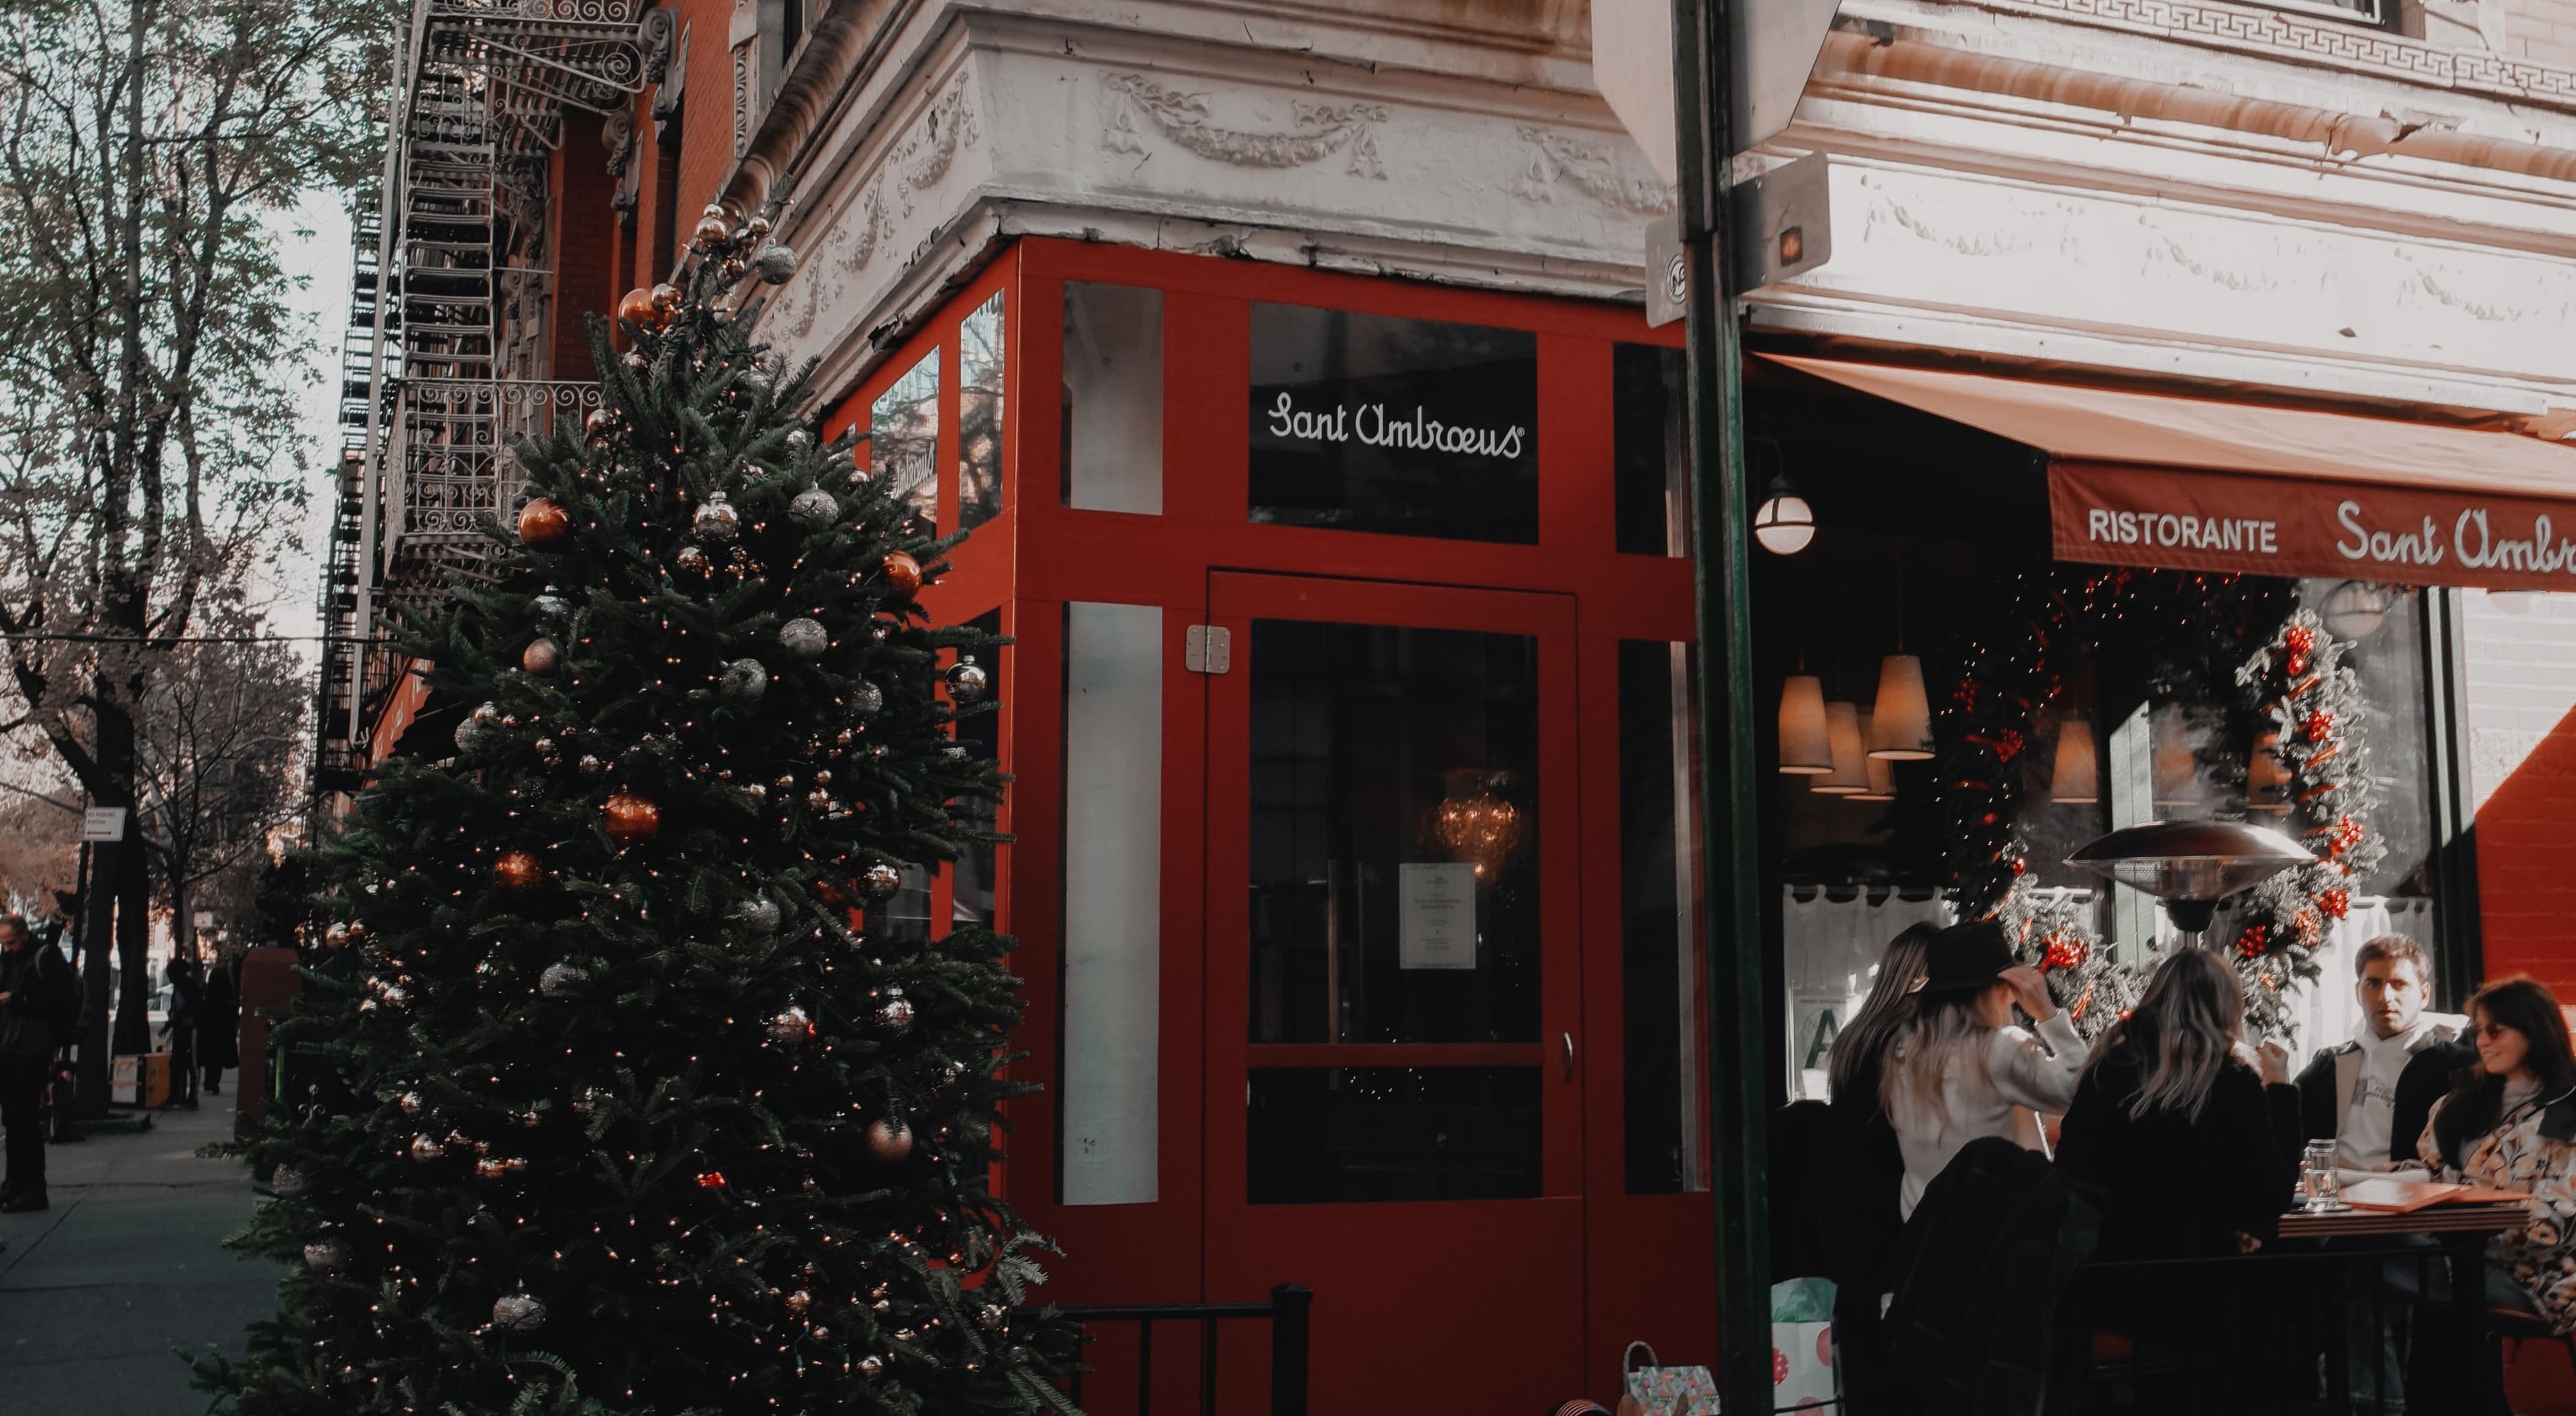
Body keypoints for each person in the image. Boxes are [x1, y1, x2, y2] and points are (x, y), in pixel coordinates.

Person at [2053, 947, 2303, 1258]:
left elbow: (2071, 1170)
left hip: (2113, 1269)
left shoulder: (2108, 1069)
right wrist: (2280, 1089)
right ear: (2227, 1009)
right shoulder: (2231, 1082)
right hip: (2200, 1271)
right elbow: (2272, 1194)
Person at [1882, 920, 2089, 1219]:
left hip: (1923, 1236)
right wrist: (2047, 1013)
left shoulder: (1902, 1053)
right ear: (1997, 990)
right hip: (1992, 1234)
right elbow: (2079, 1090)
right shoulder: (1999, 1049)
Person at [1821, 922, 1937, 1413]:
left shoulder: (1855, 1037)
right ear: (1922, 979)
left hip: (1853, 1222)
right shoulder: (1909, 1043)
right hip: (1898, 1218)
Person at [2294, 935, 2472, 1169]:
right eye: (2373, 984)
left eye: (2399, 984)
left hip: (2414, 1196)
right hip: (2334, 1195)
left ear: (2425, 994)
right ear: (2358, 992)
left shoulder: (2457, 1067)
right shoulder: (2329, 1064)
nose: (2385, 997)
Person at [0, 913, 68, 1211]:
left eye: (11, 942)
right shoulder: (10, 960)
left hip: (32, 1049)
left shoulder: (46, 957)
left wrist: (17, 1000)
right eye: (3, 943)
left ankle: (32, 1188)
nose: (7, 948)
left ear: (25, 935)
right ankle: (14, 1182)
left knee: (25, 1119)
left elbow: (57, 1002)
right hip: (10, 1047)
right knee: (14, 1120)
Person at [157, 955, 201, 1109]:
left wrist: (170, 1024)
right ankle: (180, 1095)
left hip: (189, 1029)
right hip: (183, 1029)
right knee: (179, 1063)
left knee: (188, 1063)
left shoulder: (185, 986)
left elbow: (184, 1010)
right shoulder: (183, 985)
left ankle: (187, 1096)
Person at [200, 948, 239, 1096]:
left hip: (209, 1032)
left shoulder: (208, 997)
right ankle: (214, 1082)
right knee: (219, 1060)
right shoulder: (227, 999)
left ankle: (210, 1081)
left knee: (210, 1058)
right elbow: (234, 1018)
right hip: (224, 1033)